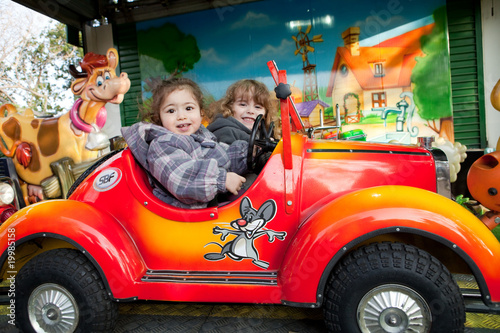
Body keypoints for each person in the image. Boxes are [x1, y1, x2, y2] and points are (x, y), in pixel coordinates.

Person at [121, 77, 248, 209]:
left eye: (188, 108)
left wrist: (247, 154)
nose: (181, 116)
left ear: (201, 112)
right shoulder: (162, 144)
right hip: (185, 217)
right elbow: (183, 179)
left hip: (209, 205)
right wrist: (221, 179)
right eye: (171, 111)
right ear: (159, 118)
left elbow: (223, 156)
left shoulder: (200, 136)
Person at [207, 79, 278, 145]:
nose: (250, 111)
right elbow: (227, 156)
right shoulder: (226, 132)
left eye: (257, 107)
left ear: (266, 113)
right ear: (229, 107)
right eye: (243, 104)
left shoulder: (261, 133)